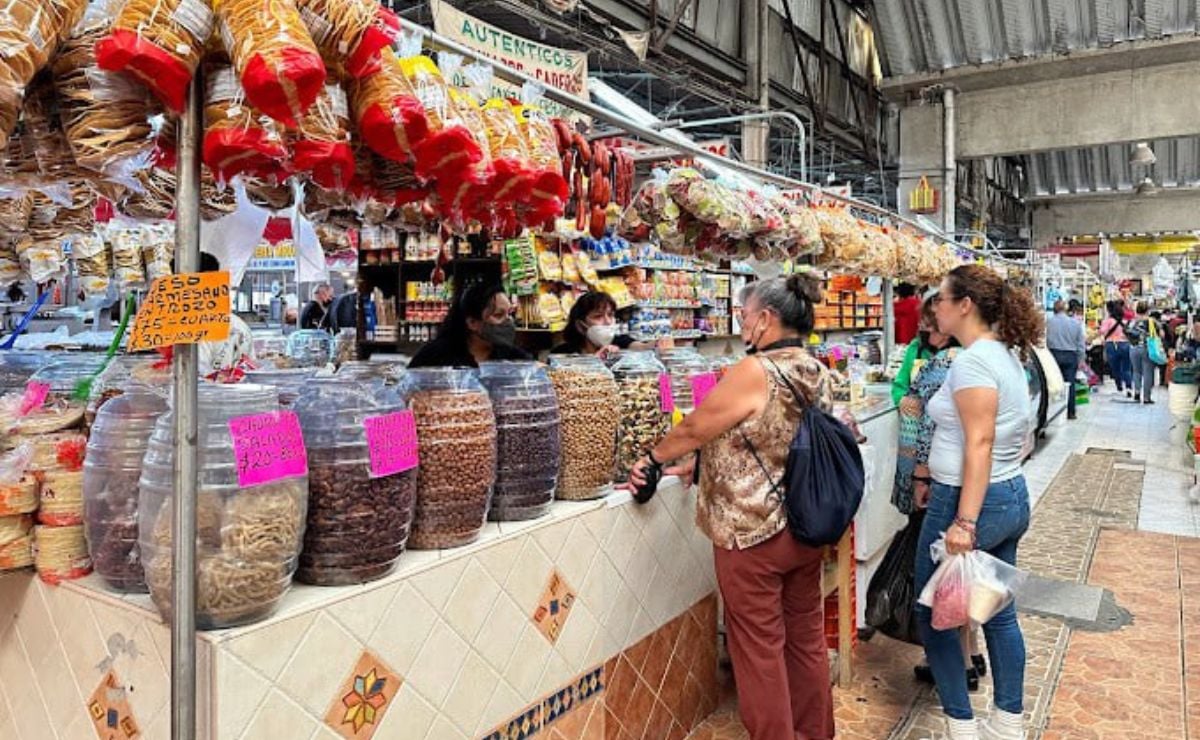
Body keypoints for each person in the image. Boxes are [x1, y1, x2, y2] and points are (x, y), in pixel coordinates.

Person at [627, 274, 836, 740]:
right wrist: (702, 465)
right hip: (805, 525)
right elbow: (769, 436)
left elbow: (694, 427)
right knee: (804, 640)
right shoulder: (815, 368)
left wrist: (653, 458)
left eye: (744, 315)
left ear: (766, 319)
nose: (740, 324)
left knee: (758, 648)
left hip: (753, 531)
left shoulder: (755, 371)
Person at [919, 264, 1042, 740]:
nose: (936, 307)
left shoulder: (972, 362)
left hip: (970, 502)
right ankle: (1007, 726)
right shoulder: (1004, 355)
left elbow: (980, 442)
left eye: (942, 299)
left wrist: (964, 522)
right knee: (996, 611)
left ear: (964, 305)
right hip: (1009, 494)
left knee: (934, 616)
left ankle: (962, 729)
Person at [892, 298, 982, 692]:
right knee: (965, 569)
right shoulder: (987, 358)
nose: (926, 331)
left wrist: (916, 477)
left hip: (945, 482)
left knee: (944, 577)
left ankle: (955, 666)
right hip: (978, 484)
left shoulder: (947, 365)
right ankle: (972, 652)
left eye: (931, 324)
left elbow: (917, 413)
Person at [407, 282, 532, 368]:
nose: (508, 321)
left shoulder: (515, 359)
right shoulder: (435, 356)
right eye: (498, 315)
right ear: (472, 323)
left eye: (510, 314)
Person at [550, 291, 672, 358]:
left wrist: (657, 343)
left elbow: (640, 346)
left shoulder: (619, 341)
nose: (608, 321)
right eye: (598, 316)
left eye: (610, 315)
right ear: (580, 326)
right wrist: (594, 361)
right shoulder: (563, 353)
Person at [197, 252, 255, 377]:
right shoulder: (240, 326)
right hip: (240, 394)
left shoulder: (194, 328)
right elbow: (251, 368)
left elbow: (196, 376)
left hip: (206, 395)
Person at [891, 298, 942, 406]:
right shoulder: (916, 347)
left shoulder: (959, 352)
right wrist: (902, 399)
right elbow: (899, 385)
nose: (923, 326)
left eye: (929, 323)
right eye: (923, 321)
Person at [1046, 300, 1086, 420]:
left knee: (1053, 383)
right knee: (1070, 384)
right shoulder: (1075, 323)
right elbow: (1081, 344)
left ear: (1054, 310)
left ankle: (1053, 411)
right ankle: (1071, 412)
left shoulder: (1048, 322)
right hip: (1071, 355)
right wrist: (1081, 360)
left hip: (1053, 354)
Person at [1126, 302, 1159, 404]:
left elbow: (1126, 332)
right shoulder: (1151, 321)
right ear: (1147, 310)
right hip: (1147, 348)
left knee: (1136, 371)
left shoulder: (1131, 321)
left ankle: (1136, 392)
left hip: (1133, 348)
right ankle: (1146, 397)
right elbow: (1160, 333)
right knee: (1148, 372)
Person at [1099, 301, 1133, 397]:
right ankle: (1129, 387)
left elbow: (1102, 331)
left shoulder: (1108, 321)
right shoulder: (1125, 321)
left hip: (1112, 345)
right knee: (1126, 368)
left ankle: (1119, 387)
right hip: (1125, 344)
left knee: (1115, 368)